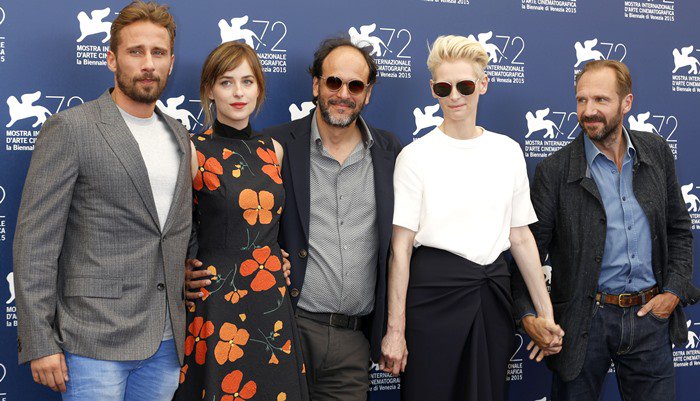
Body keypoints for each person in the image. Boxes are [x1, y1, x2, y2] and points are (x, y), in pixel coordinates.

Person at [190, 36, 403, 400]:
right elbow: (199, 222)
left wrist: (394, 328)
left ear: (367, 93)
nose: (343, 93)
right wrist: (184, 267)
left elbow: (401, 247)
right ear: (316, 85)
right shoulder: (279, 145)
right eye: (334, 81)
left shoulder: (391, 153)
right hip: (282, 320)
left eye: (355, 85)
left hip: (352, 340)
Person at [13, 2, 191, 400]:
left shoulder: (180, 135)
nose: (148, 63)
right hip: (92, 341)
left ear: (171, 62)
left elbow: (175, 231)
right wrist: (40, 340)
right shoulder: (72, 129)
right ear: (112, 59)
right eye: (135, 51)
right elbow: (35, 242)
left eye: (158, 53)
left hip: (165, 342)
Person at [379, 35, 562, 401]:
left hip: (491, 297)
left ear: (482, 84)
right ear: (433, 89)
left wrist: (547, 315)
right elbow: (400, 250)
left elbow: (522, 238)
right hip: (430, 298)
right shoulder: (415, 157)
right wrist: (395, 331)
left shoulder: (507, 152)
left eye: (464, 85)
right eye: (444, 88)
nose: (455, 96)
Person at [512, 59, 700, 401]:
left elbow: (679, 230)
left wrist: (672, 292)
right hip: (584, 322)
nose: (588, 110)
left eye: (601, 100)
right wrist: (528, 316)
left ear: (626, 103)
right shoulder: (554, 171)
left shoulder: (656, 152)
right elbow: (527, 253)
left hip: (650, 319)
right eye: (582, 100)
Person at [174, 41, 308, 401]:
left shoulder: (273, 150)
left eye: (247, 82)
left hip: (269, 296)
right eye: (226, 82)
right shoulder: (193, 149)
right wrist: (181, 270)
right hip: (217, 298)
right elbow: (176, 229)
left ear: (259, 89)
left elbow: (274, 227)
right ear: (209, 90)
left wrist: (276, 253)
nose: (238, 92)